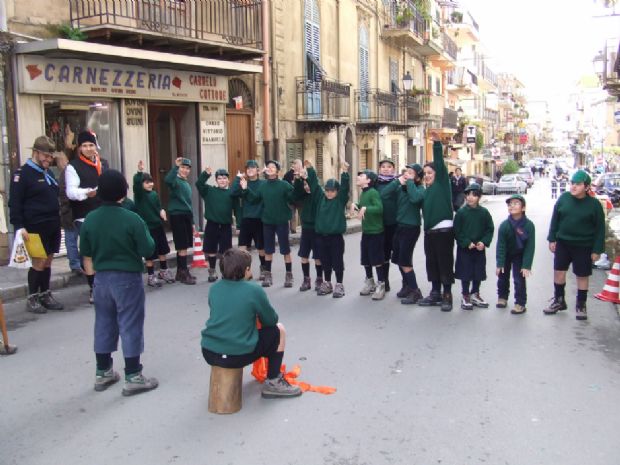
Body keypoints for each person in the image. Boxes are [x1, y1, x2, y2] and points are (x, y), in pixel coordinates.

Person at [80, 169, 158, 396]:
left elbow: (85, 252)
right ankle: (133, 375)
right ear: (123, 192)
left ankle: (103, 371)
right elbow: (148, 248)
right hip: (127, 277)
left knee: (103, 322)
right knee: (130, 323)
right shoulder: (132, 219)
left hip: (101, 278)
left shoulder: (91, 219)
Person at [201, 248, 302, 399]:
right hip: (237, 354)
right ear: (246, 270)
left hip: (209, 351)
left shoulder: (214, 288)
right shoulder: (253, 290)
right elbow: (271, 320)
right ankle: (274, 381)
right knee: (278, 331)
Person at [8, 135, 64, 313]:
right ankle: (32, 297)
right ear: (36, 153)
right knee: (38, 262)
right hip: (34, 224)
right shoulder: (22, 174)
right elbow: (15, 203)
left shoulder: (46, 173)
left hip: (52, 222)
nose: (49, 159)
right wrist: (19, 226)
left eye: (50, 156)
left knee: (48, 260)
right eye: (46, 156)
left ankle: (45, 294)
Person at [544, 170, 605, 321]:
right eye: (572, 183)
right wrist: (552, 239)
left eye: (578, 184)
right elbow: (555, 220)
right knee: (559, 272)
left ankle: (581, 305)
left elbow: (600, 229)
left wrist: (597, 250)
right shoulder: (564, 199)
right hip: (563, 243)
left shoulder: (594, 205)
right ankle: (559, 300)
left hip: (583, 245)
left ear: (586, 187)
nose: (573, 187)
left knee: (582, 275)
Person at [65, 130, 109, 303]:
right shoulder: (73, 166)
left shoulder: (102, 164)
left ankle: (104, 283)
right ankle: (93, 288)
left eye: (91, 145)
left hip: (103, 212)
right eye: (84, 145)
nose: (88, 148)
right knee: (89, 254)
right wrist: (87, 192)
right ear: (79, 148)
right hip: (84, 215)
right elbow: (71, 191)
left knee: (103, 251)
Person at [241, 160, 295, 288]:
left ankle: (289, 275)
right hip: (267, 222)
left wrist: (299, 182)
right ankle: (268, 275)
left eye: (273, 167)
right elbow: (254, 199)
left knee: (285, 249)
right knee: (268, 249)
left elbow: (293, 197)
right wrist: (245, 189)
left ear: (277, 171)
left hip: (281, 221)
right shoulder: (263, 186)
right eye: (268, 167)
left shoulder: (284, 185)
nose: (270, 169)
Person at [377, 163, 425, 305]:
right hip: (400, 226)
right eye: (406, 171)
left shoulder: (420, 189)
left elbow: (415, 199)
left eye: (411, 172)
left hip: (411, 227)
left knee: (405, 260)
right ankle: (407, 286)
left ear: (417, 177)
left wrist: (409, 182)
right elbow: (383, 194)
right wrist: (397, 182)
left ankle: (416, 291)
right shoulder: (400, 187)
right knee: (397, 258)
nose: (407, 174)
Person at [417, 133, 455, 311]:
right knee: (431, 262)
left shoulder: (441, 183)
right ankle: (435, 293)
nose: (427, 176)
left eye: (429, 173)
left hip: (444, 232)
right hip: (430, 232)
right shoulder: (426, 190)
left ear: (437, 174)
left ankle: (447, 295)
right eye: (424, 173)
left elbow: (439, 163)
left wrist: (437, 144)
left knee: (444, 263)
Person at [453, 183, 494, 310]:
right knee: (466, 272)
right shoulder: (461, 213)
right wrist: (466, 242)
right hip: (465, 248)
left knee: (478, 272)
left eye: (474, 195)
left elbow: (489, 229)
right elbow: (457, 231)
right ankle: (465, 295)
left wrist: (484, 242)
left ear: (479, 197)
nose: (470, 197)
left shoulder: (484, 213)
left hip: (479, 248)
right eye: (468, 195)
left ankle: (475, 293)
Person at [195, 167, 239, 282]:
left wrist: (239, 225)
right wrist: (206, 174)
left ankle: (226, 272)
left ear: (228, 180)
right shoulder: (209, 191)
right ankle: (212, 271)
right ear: (216, 180)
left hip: (226, 226)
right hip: (212, 224)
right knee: (211, 250)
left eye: (224, 178)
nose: (222, 180)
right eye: (219, 178)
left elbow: (237, 210)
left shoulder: (232, 193)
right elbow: (199, 184)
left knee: (226, 251)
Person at [133, 160, 172, 288]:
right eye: (146, 182)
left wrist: (162, 211)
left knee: (162, 249)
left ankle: (163, 271)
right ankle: (151, 275)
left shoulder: (154, 194)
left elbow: (158, 206)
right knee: (150, 253)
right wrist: (139, 172)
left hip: (158, 225)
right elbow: (136, 185)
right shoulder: (139, 195)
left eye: (151, 182)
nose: (150, 184)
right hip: (147, 227)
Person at [314, 161, 350, 297]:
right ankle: (327, 283)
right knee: (325, 261)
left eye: (332, 191)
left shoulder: (340, 200)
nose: (329, 193)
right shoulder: (320, 200)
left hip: (336, 238)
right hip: (321, 237)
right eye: (327, 190)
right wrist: (309, 172)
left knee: (337, 261)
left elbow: (345, 188)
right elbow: (314, 186)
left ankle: (339, 285)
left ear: (337, 191)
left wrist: (345, 173)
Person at [496, 194, 536, 315]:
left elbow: (530, 246)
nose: (512, 206)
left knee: (519, 279)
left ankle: (520, 303)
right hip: (507, 253)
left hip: (520, 254)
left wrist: (526, 265)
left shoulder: (529, 225)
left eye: (516, 203)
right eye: (510, 204)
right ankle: (502, 297)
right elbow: (501, 245)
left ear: (523, 208)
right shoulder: (504, 225)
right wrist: (500, 263)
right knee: (502, 276)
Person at [351, 169, 385, 300]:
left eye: (362, 175)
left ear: (369, 180)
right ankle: (370, 282)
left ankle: (381, 284)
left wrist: (365, 208)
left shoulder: (373, 193)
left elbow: (379, 208)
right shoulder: (364, 193)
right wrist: (357, 205)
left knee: (377, 260)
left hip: (376, 232)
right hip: (366, 231)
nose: (358, 177)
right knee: (365, 259)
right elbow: (364, 206)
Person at [230, 160, 267, 279]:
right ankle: (244, 271)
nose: (250, 170)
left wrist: (246, 189)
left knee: (261, 248)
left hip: (259, 219)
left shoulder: (263, 183)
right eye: (248, 168)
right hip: (246, 219)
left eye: (253, 168)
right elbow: (232, 193)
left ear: (258, 170)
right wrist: (237, 178)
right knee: (242, 248)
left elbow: (256, 198)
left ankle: (264, 268)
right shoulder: (243, 183)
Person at [293, 160, 323, 292]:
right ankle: (306, 279)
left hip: (317, 228)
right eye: (305, 184)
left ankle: (319, 279)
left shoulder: (319, 194)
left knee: (318, 256)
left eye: (307, 183)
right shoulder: (303, 195)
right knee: (304, 256)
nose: (307, 186)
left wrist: (309, 172)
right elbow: (296, 193)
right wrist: (299, 179)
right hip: (306, 228)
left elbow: (314, 185)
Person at [165, 157, 196, 285]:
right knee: (181, 245)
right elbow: (167, 180)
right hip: (177, 215)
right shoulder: (175, 181)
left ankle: (181, 271)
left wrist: (192, 220)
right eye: (182, 168)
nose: (185, 170)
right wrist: (175, 167)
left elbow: (189, 203)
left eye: (187, 168)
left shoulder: (186, 183)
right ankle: (183, 273)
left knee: (185, 245)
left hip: (186, 215)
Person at [56, 152, 82, 275]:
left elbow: (62, 194)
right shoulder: (70, 172)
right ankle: (77, 264)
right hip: (72, 211)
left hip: (70, 212)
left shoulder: (66, 173)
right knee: (74, 238)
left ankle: (76, 264)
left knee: (72, 239)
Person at [375, 158, 398, 293]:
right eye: (383, 166)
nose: (385, 168)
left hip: (395, 224)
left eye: (389, 166)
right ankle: (384, 281)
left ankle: (406, 283)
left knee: (399, 254)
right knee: (383, 255)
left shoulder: (398, 183)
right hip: (381, 224)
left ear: (393, 169)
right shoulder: (376, 183)